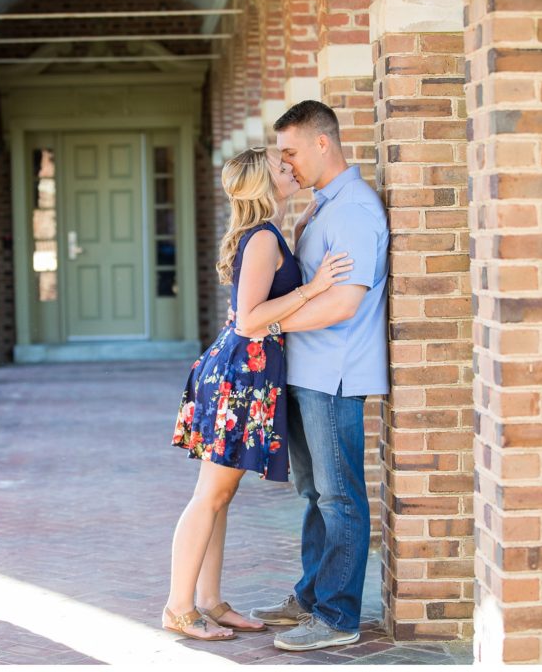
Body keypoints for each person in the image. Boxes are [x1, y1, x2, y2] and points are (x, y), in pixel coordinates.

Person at [163, 146, 354, 640]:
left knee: (220, 496)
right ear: (261, 184)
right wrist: (313, 289)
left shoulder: (269, 234)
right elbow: (249, 321)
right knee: (210, 495)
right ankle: (178, 608)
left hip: (244, 375)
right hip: (240, 377)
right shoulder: (263, 239)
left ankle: (209, 600)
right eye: (278, 165)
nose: (288, 166)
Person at [241, 101, 390, 652]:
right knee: (313, 494)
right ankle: (309, 598)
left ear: (322, 143)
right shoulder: (324, 208)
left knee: (339, 497)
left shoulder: (352, 209)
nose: (288, 164)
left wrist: (268, 324)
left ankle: (336, 616)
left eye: (291, 152)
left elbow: (344, 303)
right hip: (307, 372)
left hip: (334, 373)